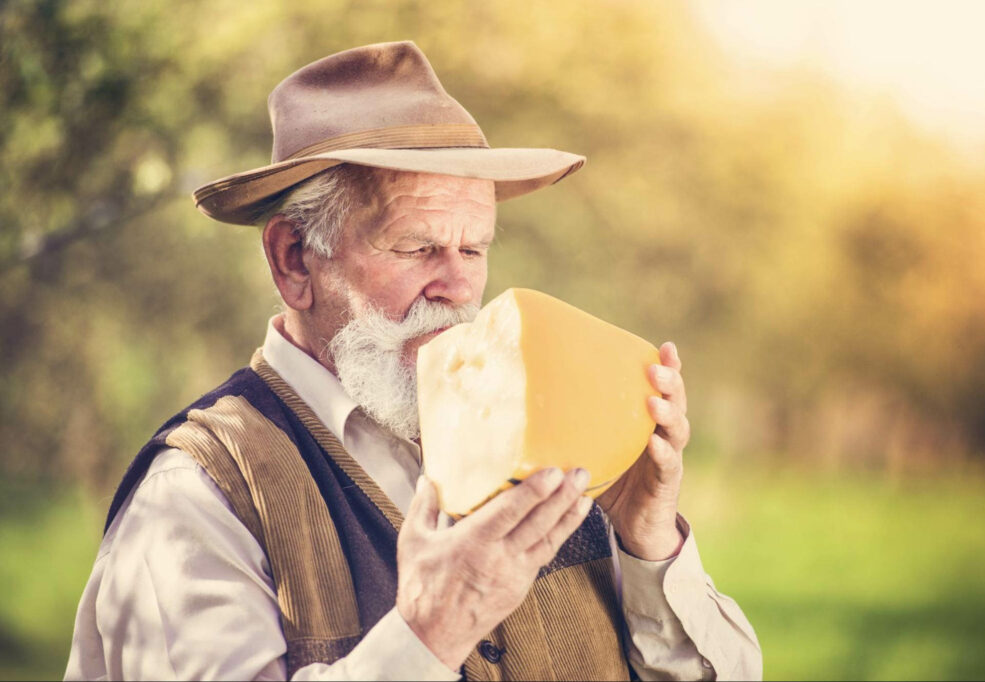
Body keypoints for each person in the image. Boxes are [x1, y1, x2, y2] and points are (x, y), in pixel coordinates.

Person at [64, 41, 762, 681]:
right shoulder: (195, 496)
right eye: (417, 248)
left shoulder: (552, 440)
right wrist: (428, 632)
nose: (456, 287)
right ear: (293, 260)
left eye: (474, 249)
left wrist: (649, 547)